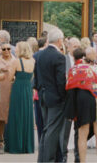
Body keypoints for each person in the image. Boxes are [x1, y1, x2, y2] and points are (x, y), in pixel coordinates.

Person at [35, 28, 67, 163]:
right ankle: (48, 159)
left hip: (43, 95)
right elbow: (60, 81)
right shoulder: (59, 56)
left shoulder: (39, 55)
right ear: (60, 41)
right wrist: (64, 97)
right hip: (55, 98)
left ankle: (42, 159)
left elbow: (36, 77)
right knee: (52, 131)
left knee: (46, 129)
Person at [66, 47, 97, 162]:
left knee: (83, 133)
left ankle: (82, 161)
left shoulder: (74, 69)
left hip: (84, 97)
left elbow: (70, 89)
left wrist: (70, 111)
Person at [4, 42, 35, 155]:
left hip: (17, 89)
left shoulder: (16, 61)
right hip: (27, 89)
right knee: (26, 115)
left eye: (16, 48)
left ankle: (15, 145)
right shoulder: (32, 61)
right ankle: (27, 146)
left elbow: (10, 77)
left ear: (21, 50)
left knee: (16, 115)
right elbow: (32, 77)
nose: (14, 50)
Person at [0, 42, 16, 145]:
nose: (7, 51)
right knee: (1, 115)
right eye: (4, 49)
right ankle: (1, 137)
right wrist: (0, 70)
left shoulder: (15, 60)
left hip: (13, 89)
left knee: (12, 114)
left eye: (8, 48)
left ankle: (11, 137)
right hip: (1, 90)